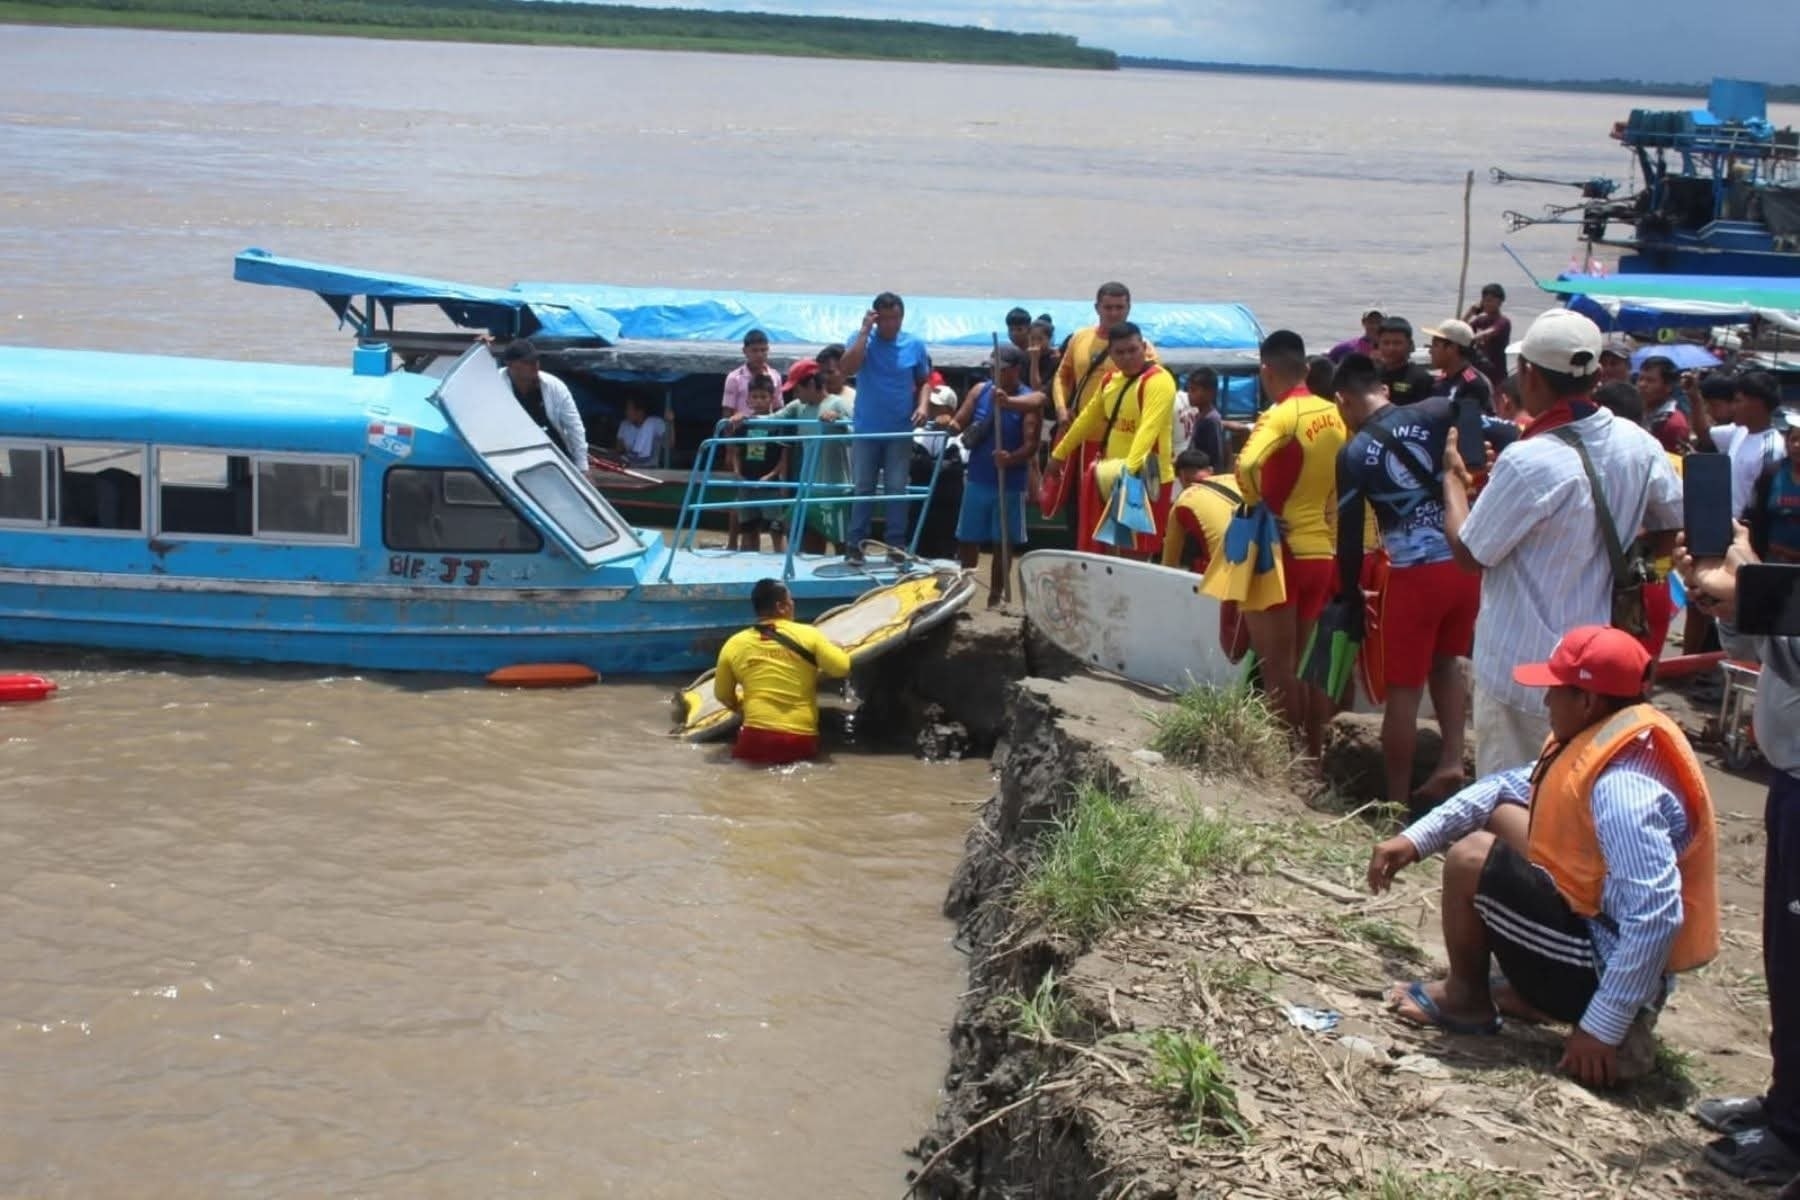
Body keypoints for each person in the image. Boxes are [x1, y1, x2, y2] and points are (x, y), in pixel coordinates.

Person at [1366, 624, 1719, 1088]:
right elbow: (1499, 789)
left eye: (1555, 690)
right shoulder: (1607, 739)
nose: (1546, 701)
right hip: (1593, 924)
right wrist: (1416, 839)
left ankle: (1467, 998)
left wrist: (1601, 1026)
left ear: (1588, 701)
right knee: (1507, 814)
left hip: (1602, 960)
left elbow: (1655, 915)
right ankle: (1536, 995)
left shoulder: (1623, 791)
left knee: (1472, 857)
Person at [1441, 309, 1682, 778]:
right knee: (1573, 794)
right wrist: (1629, 581)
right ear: (1596, 375)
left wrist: (1453, 481)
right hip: (1596, 665)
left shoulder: (1529, 460)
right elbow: (1667, 527)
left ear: (1528, 375)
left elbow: (1469, 555)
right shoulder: (1639, 442)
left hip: (1521, 665)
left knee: (1511, 799)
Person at [1680, 529, 1800, 1183]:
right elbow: (1760, 645)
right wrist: (1727, 602)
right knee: (1784, 957)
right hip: (1789, 780)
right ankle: (1785, 1102)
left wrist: (1747, 582)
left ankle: (1791, 1133)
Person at [1331, 353, 1475, 814]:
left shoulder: (1353, 454)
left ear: (1343, 400)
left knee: (1403, 691)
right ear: (1385, 391)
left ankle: (1395, 802)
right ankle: (1452, 759)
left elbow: (1349, 537)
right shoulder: (1434, 410)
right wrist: (1466, 461)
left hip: (1414, 576)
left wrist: (1350, 592)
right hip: (1464, 564)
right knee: (1446, 662)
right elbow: (1472, 411)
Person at [1235, 329, 1348, 760]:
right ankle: (1311, 757)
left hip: (1279, 552)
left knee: (1275, 667)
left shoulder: (1280, 416)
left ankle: (1284, 762)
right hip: (1320, 551)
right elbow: (1341, 484)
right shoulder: (1335, 414)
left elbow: (1246, 463)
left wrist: (1256, 505)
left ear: (1266, 371)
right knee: (1302, 665)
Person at [1045, 321, 1177, 558]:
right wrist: (1058, 454)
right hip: (1110, 476)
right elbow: (1086, 420)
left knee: (1135, 555)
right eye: (1120, 352)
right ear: (1111, 354)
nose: (1127, 357)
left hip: (1147, 479)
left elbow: (1148, 430)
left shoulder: (1159, 380)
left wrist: (1129, 473)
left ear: (1143, 347)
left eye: (1133, 350)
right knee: (1107, 551)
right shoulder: (1109, 381)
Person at [713, 578, 851, 765]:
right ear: (781, 607)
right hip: (799, 739)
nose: (793, 604)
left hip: (754, 739)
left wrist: (744, 709)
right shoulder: (809, 635)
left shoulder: (734, 644)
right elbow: (841, 668)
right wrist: (837, 649)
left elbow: (722, 695)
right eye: (791, 600)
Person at [839, 292, 932, 565]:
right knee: (863, 488)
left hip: (900, 430)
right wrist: (865, 331)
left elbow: (924, 380)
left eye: (896, 318)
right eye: (886, 319)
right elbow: (847, 368)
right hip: (867, 428)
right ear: (877, 318)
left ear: (902, 317)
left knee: (896, 488)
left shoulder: (914, 344)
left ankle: (896, 546)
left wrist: (923, 406)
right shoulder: (862, 340)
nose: (891, 324)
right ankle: (855, 545)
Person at [952, 344, 1041, 606]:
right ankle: (964, 592)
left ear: (1015, 370)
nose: (994, 373)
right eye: (991, 368)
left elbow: (1032, 444)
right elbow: (961, 419)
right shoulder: (980, 391)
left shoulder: (1028, 401)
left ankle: (996, 595)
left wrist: (1011, 458)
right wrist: (951, 424)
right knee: (968, 539)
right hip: (978, 479)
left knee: (1003, 544)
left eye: (999, 369)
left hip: (1009, 484)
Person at [770, 359, 854, 550]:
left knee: (843, 546)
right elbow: (772, 419)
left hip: (835, 489)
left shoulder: (838, 404)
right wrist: (744, 418)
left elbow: (856, 437)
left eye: (797, 389)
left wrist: (839, 422)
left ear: (810, 384)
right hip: (807, 488)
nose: (795, 394)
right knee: (804, 544)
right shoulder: (798, 407)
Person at [499, 339, 588, 468]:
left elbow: (574, 427)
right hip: (515, 459)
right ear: (510, 365)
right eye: (527, 362)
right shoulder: (494, 385)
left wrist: (583, 466)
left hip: (556, 457)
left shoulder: (555, 386)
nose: (535, 365)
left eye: (536, 360)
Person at [730, 374, 788, 553]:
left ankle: (779, 563)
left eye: (763, 397)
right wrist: (737, 472)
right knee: (748, 528)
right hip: (747, 483)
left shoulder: (779, 425)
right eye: (755, 396)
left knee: (776, 529)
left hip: (769, 485)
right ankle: (749, 564)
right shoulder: (744, 424)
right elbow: (737, 451)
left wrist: (771, 476)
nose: (759, 401)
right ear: (748, 399)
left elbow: (784, 455)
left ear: (772, 398)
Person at [1162, 449, 1241, 576]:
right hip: (1266, 564)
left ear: (1182, 477)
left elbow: (1168, 565)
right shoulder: (1234, 479)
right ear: (1210, 470)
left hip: (1227, 578)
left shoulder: (1183, 502)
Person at [1720, 372, 1786, 519]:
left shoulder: (1772, 451)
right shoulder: (1740, 431)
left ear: (1757, 404)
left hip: (1745, 532)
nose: (1733, 407)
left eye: (1738, 401)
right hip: (1726, 523)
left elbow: (1763, 506)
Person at [1749, 412, 1800, 563]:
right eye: (1794, 439)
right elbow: (1758, 516)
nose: (1797, 445)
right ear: (1786, 443)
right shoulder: (1771, 473)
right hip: (1776, 559)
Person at [1423, 319, 1493, 413]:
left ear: (1452, 348)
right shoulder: (1439, 381)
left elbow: (1471, 424)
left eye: (1435, 345)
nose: (1430, 351)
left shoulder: (1473, 384)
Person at [1375, 317, 1437, 407]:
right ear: (1379, 345)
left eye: (1397, 343)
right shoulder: (1370, 376)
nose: (1391, 348)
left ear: (1410, 345)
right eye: (1386, 343)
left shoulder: (1422, 379)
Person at [1637, 356, 1692, 454]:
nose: (1642, 384)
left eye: (1650, 380)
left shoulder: (1674, 424)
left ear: (1668, 386)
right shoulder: (1636, 411)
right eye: (1640, 379)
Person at [1464, 284, 1512, 389]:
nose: (1486, 303)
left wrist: (1472, 338)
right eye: (1484, 300)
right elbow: (1459, 329)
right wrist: (1470, 313)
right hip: (1478, 372)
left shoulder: (1503, 322)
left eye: (1490, 300)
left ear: (1499, 302)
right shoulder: (1480, 320)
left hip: (1495, 376)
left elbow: (1488, 333)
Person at [1184, 367, 1229, 472]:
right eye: (1189, 389)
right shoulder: (1200, 416)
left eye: (1194, 390)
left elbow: (1215, 457)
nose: (1189, 394)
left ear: (1210, 393)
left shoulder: (1210, 420)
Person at [615, 395, 666, 467]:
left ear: (640, 411)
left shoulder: (655, 423)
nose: (626, 412)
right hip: (630, 467)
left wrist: (671, 422)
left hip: (651, 469)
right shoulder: (624, 424)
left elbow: (669, 444)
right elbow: (619, 450)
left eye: (629, 409)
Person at [816, 342, 856, 415]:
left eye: (830, 372)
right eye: (821, 372)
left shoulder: (855, 399)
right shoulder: (811, 399)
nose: (824, 376)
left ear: (845, 369)